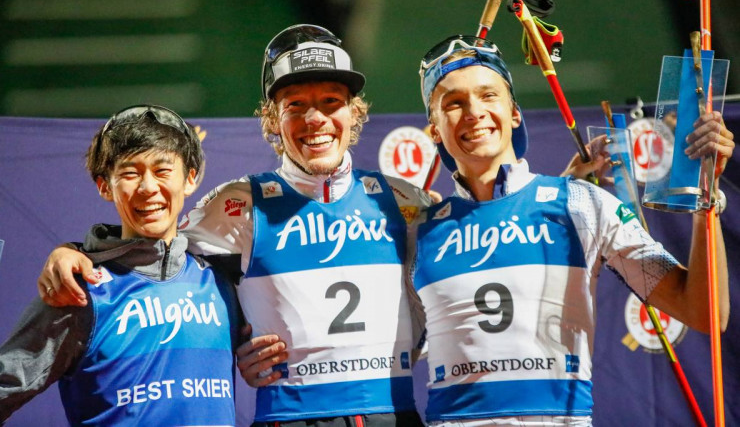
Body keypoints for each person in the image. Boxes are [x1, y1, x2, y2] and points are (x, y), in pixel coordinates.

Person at [38, 25, 432, 426]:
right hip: (291, 418)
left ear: (354, 111)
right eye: (295, 105)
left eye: (332, 101)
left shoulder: (404, 202)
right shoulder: (240, 204)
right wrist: (76, 252)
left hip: (396, 415)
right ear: (273, 119)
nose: (315, 118)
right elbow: (154, 250)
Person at [410, 35, 732, 425]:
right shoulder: (418, 231)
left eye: (488, 95)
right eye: (454, 103)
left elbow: (704, 313)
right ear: (433, 130)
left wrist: (705, 197)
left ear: (514, 112)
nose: (474, 112)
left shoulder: (582, 205)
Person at [0, 105, 240, 425]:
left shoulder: (221, 282)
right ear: (104, 186)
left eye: (163, 170)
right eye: (130, 173)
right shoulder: (80, 289)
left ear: (190, 178)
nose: (147, 187)